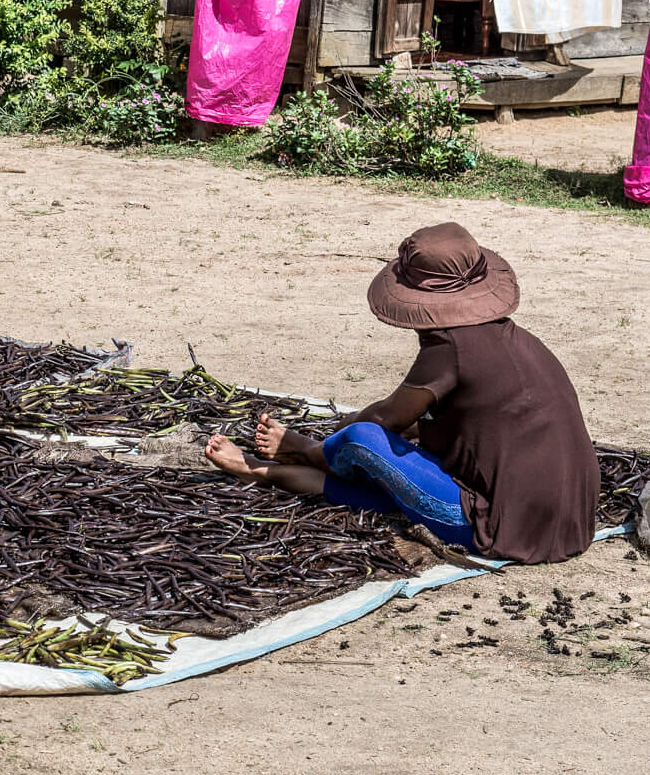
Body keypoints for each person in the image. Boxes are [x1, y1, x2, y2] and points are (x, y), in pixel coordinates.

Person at [203, 221, 599, 564]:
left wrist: (317, 443)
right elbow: (449, 425)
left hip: (499, 525)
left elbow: (384, 421)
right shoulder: (518, 340)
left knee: (363, 441)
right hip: (567, 524)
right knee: (393, 479)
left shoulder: (450, 346)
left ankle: (293, 457)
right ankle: (275, 472)